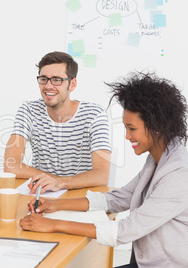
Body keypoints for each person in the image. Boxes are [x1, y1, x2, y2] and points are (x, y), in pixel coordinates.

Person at [19, 72, 188, 267]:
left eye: (132, 129)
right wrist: (55, 205)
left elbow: (125, 230)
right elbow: (118, 198)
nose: (127, 136)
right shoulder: (158, 158)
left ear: (156, 126)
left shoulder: (179, 173)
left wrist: (54, 225)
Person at [4, 51, 111, 194]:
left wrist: (59, 183)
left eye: (56, 80)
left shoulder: (94, 115)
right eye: (44, 79)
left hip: (80, 197)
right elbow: (11, 166)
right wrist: (53, 181)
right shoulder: (29, 110)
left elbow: (102, 175)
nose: (48, 86)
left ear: (72, 84)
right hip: (43, 195)